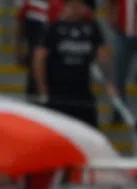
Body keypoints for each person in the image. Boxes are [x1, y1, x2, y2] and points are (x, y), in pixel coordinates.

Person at [33, 0, 114, 128]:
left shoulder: (92, 27)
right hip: (57, 93)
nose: (76, 8)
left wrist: (108, 82)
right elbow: (39, 57)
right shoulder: (53, 27)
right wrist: (42, 88)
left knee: (88, 130)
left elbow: (103, 56)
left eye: (80, 5)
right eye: (72, 5)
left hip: (82, 92)